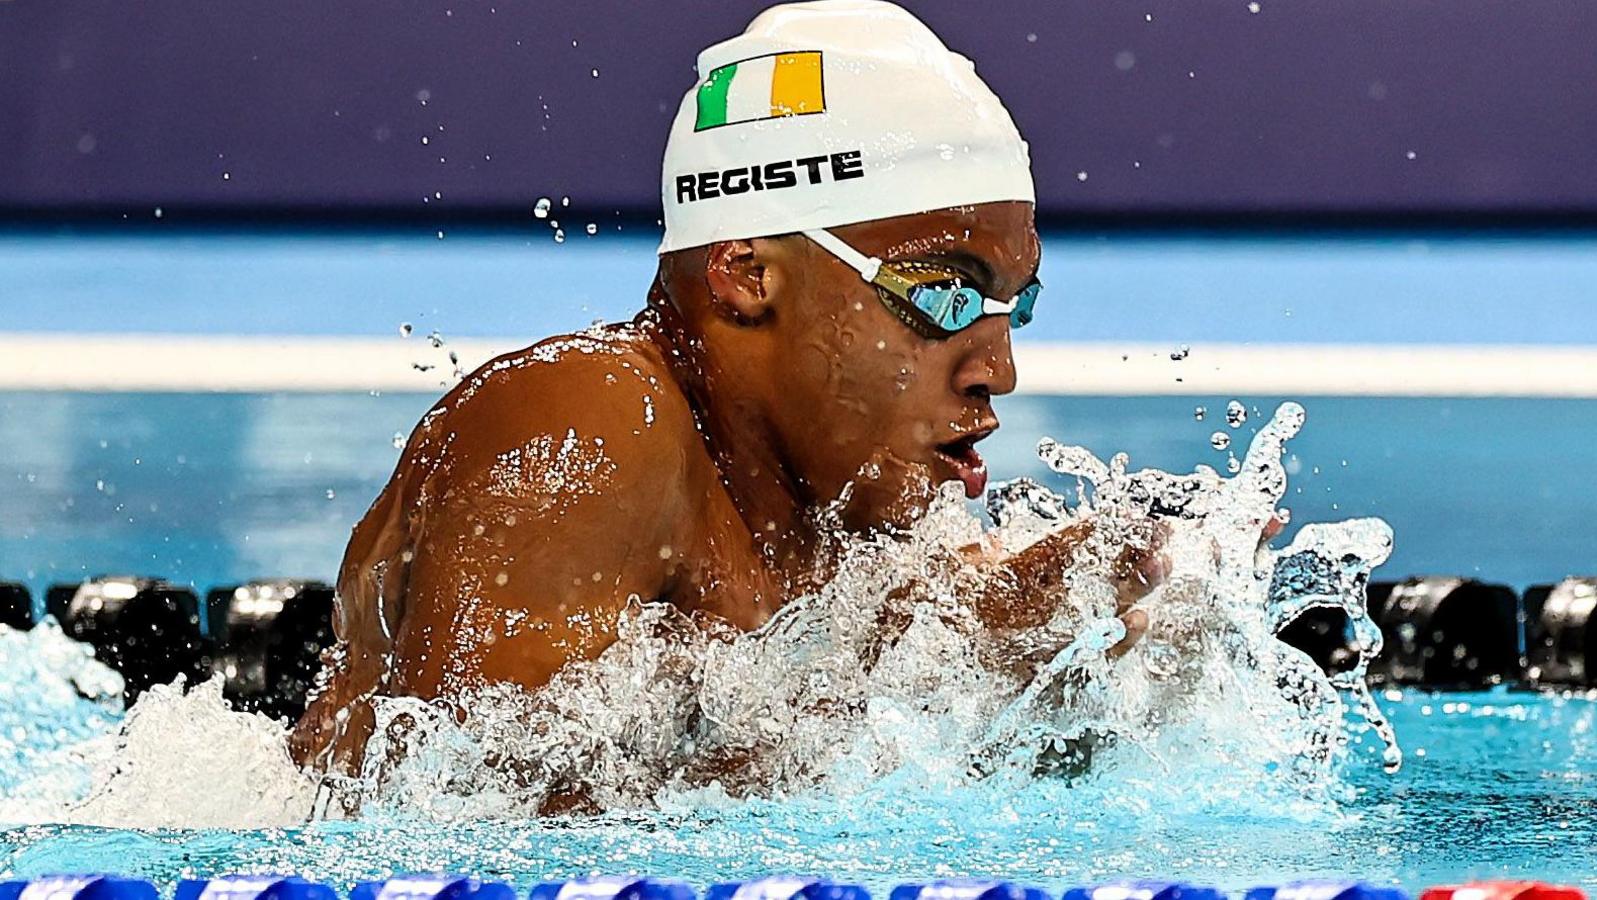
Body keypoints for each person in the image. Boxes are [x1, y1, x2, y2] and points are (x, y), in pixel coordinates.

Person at [289, 0, 1164, 781]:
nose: (997, 368)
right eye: (942, 295)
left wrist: (1069, 656)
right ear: (746, 274)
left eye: (1017, 305)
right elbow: (461, 820)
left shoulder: (833, 516)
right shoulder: (587, 423)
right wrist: (881, 713)